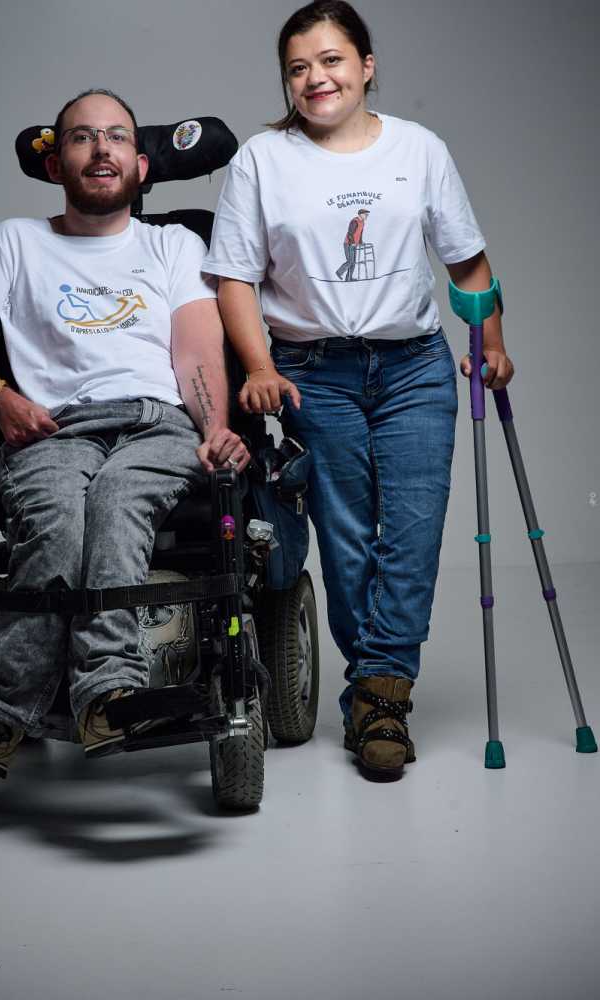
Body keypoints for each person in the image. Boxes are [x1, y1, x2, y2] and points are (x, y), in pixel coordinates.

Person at [202, 1, 514, 780]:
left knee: (412, 530)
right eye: (298, 67)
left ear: (367, 66)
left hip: (414, 367)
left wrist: (492, 340)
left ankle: (379, 696)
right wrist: (260, 367)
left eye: (332, 60)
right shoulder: (262, 161)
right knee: (345, 539)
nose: (316, 78)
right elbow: (234, 278)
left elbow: (467, 262)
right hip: (312, 373)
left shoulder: (419, 149)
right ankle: (375, 691)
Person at [0, 88, 250, 774]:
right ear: (54, 164)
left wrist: (215, 428)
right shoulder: (15, 240)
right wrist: (0, 397)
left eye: (117, 137)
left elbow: (197, 355)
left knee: (119, 500)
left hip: (155, 423)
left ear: (141, 166)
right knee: (60, 519)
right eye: (82, 137)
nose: (102, 149)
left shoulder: (173, 244)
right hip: (52, 428)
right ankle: (3, 714)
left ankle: (102, 693)